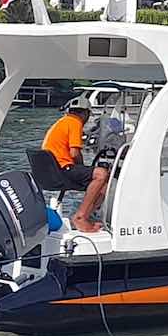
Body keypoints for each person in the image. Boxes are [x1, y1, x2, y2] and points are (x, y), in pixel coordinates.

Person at [42, 96, 109, 233]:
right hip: (63, 168)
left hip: (52, 170)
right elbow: (74, 153)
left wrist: (85, 170)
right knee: (101, 174)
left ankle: (86, 217)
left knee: (103, 185)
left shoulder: (61, 122)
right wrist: (84, 167)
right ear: (85, 113)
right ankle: (80, 217)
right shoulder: (75, 122)